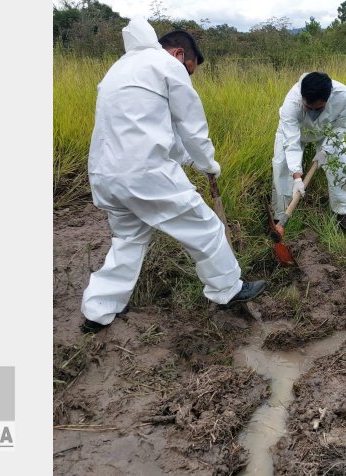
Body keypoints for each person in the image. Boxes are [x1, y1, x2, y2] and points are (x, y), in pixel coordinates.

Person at [80, 17, 266, 334]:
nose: (188, 75)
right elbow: (191, 127)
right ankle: (228, 289)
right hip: (144, 174)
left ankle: (97, 312)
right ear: (179, 54)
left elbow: (156, 129)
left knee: (128, 241)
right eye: (189, 69)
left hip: (105, 175)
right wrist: (208, 163)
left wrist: (191, 161)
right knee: (206, 228)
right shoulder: (167, 65)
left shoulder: (119, 69)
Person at [272, 71, 346, 228]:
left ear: (328, 98)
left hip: (326, 132)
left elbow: (340, 127)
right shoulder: (292, 102)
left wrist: (325, 151)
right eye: (308, 107)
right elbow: (291, 142)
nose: (313, 112)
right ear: (302, 98)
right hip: (295, 131)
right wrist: (297, 178)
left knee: (340, 165)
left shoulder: (343, 95)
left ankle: (344, 213)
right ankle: (281, 217)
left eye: (319, 108)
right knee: (281, 166)